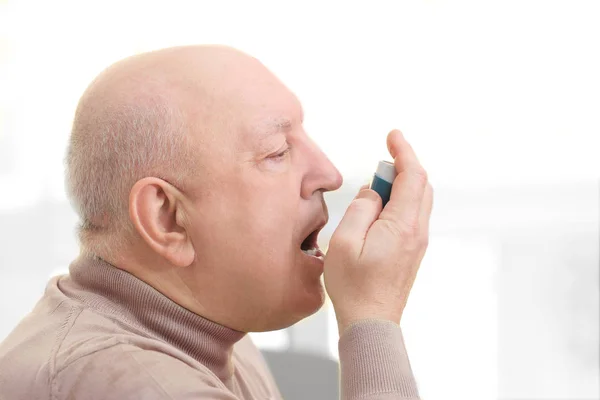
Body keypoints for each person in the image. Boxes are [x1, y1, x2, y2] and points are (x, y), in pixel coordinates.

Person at [0, 45, 433, 399]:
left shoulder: (214, 324)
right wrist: (371, 321)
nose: (330, 174)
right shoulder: (132, 385)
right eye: (277, 152)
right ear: (168, 218)